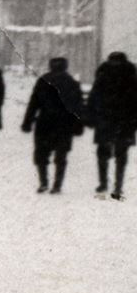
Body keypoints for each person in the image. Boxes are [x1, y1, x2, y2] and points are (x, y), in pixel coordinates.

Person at [20, 57, 88, 194]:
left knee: (41, 155)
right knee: (61, 156)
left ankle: (43, 182)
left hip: (45, 123)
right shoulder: (72, 82)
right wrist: (79, 125)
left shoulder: (43, 80)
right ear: (65, 66)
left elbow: (34, 103)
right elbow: (78, 106)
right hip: (64, 124)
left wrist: (27, 122)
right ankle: (57, 185)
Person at [89, 50, 137, 200]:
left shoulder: (103, 75)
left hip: (106, 120)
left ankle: (103, 183)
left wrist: (90, 117)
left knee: (103, 153)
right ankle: (118, 185)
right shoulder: (132, 76)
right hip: (125, 122)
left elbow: (93, 98)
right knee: (121, 155)